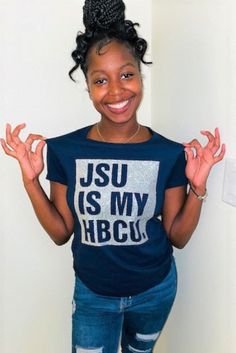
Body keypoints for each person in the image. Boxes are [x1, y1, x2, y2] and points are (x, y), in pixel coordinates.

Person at [0, 0, 225, 352]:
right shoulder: (64, 151)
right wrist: (31, 182)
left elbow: (177, 237)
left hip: (156, 291)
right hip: (94, 297)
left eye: (127, 74)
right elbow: (61, 233)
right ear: (88, 86)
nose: (117, 91)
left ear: (140, 75)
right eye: (101, 80)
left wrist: (197, 187)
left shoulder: (168, 153)